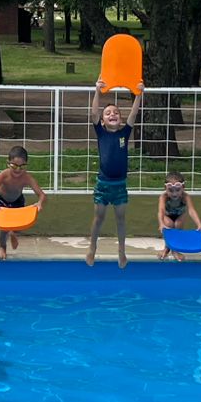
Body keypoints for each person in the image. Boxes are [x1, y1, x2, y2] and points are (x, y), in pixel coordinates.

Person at [87, 81, 143, 268]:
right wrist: (97, 91)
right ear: (103, 121)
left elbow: (133, 114)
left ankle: (121, 250)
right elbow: (93, 113)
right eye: (108, 113)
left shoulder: (124, 133)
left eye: (116, 113)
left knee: (120, 219)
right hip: (103, 185)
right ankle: (92, 247)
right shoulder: (101, 133)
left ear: (120, 119)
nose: (112, 114)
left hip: (120, 186)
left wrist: (138, 95)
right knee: (99, 218)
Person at [0, 145, 47, 260]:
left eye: (22, 166)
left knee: (19, 226)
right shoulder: (4, 175)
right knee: (3, 226)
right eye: (14, 166)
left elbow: (42, 195)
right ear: (8, 163)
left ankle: (12, 233)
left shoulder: (26, 177)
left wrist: (39, 203)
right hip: (1, 200)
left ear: (26, 164)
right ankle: (2, 247)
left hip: (17, 201)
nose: (18, 170)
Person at [156, 171, 201, 261]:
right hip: (167, 216)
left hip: (180, 215)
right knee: (168, 225)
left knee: (178, 225)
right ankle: (167, 248)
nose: (174, 194)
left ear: (183, 188)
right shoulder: (163, 197)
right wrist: (161, 223)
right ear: (165, 188)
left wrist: (199, 225)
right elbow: (161, 211)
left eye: (177, 190)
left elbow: (191, 211)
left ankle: (175, 250)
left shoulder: (185, 197)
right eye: (170, 190)